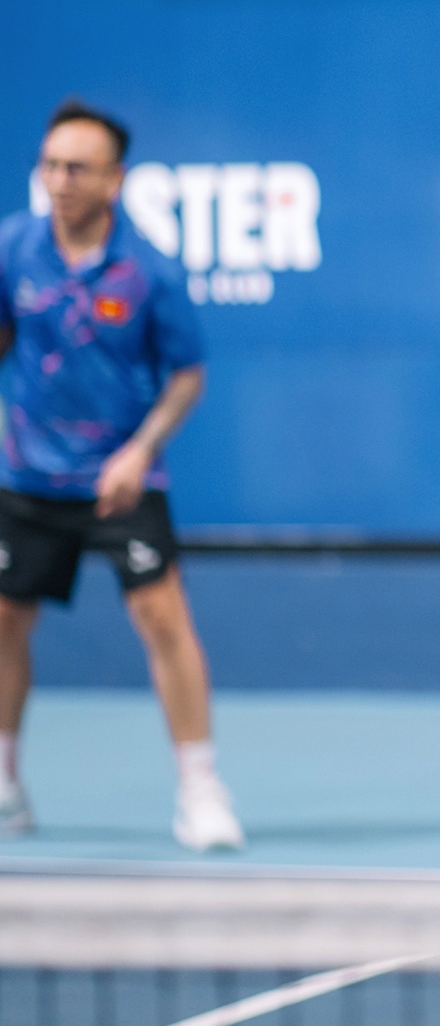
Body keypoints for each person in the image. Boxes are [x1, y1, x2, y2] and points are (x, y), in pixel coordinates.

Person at [0, 100, 245, 852]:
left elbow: (187, 376)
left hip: (122, 480)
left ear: (114, 179)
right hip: (26, 476)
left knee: (163, 619)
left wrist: (140, 450)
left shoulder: (149, 271)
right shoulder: (14, 247)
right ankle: (5, 781)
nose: (59, 181)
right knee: (5, 621)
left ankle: (200, 788)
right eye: (50, 165)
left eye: (77, 168)